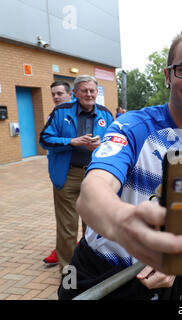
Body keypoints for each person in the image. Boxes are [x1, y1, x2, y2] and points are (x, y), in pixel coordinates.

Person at [58, 27, 182, 300]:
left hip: (163, 284)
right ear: (168, 76)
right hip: (102, 275)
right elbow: (94, 190)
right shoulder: (132, 127)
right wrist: (118, 219)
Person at [40, 75, 114, 274]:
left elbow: (115, 145)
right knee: (67, 226)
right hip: (68, 174)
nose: (89, 94)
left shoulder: (106, 115)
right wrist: (72, 142)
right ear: (75, 93)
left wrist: (100, 148)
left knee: (93, 225)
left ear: (96, 93)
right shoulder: (60, 111)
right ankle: (68, 269)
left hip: (95, 175)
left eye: (92, 90)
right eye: (84, 90)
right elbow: (44, 140)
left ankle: (88, 267)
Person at [42, 81, 74, 267]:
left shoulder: (81, 114)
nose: (56, 97)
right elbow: (46, 141)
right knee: (65, 221)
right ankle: (63, 253)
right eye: (53, 94)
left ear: (70, 95)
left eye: (59, 93)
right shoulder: (53, 115)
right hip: (62, 173)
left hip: (86, 171)